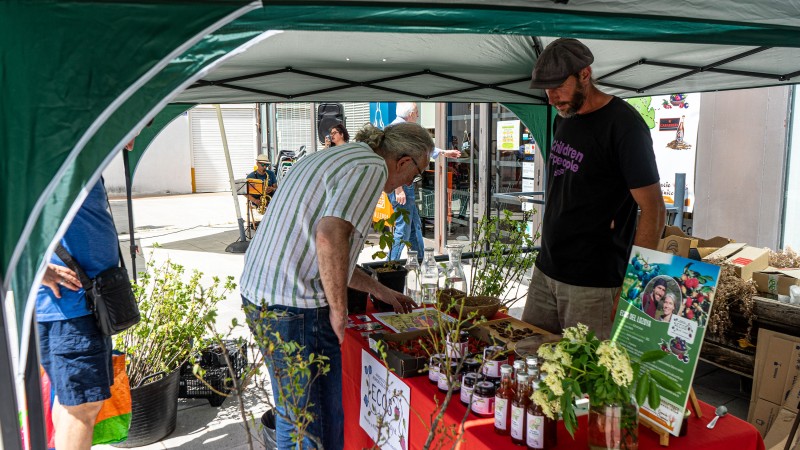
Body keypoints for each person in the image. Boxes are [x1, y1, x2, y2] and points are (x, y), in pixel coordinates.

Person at [240, 121, 431, 450]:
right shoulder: (371, 167)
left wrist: (379, 289)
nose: (412, 181)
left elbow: (328, 254)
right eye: (417, 173)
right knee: (316, 427)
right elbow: (329, 238)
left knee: (295, 416)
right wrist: (339, 311)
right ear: (402, 161)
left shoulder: (343, 156)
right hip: (294, 307)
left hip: (262, 296)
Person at [521, 38, 666, 340]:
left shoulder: (624, 125)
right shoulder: (564, 120)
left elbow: (653, 208)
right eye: (546, 90)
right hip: (546, 268)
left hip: (594, 281)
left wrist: (634, 284)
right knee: (526, 358)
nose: (551, 98)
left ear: (585, 75)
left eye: (558, 87)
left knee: (584, 376)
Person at [36, 135, 141, 450]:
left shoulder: (73, 147)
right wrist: (38, 268)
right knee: (81, 407)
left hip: (81, 303)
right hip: (71, 307)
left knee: (73, 401)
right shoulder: (52, 148)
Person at [387, 102, 461, 261]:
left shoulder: (400, 129)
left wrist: (444, 153)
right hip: (401, 186)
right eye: (417, 112)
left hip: (404, 185)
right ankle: (390, 265)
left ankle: (421, 261)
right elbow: (392, 163)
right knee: (403, 229)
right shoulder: (399, 131)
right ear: (410, 114)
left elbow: (422, 147)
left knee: (414, 227)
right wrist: (399, 189)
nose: (418, 116)